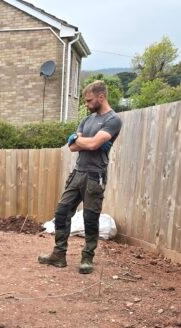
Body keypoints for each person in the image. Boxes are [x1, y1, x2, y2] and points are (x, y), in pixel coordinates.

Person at [39, 80, 123, 274]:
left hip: (95, 176)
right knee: (62, 211)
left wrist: (81, 139)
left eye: (89, 100)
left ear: (101, 97)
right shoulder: (87, 120)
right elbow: (73, 147)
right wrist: (85, 141)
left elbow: (92, 145)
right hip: (78, 173)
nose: (86, 104)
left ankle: (87, 258)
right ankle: (59, 255)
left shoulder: (113, 120)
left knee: (90, 217)